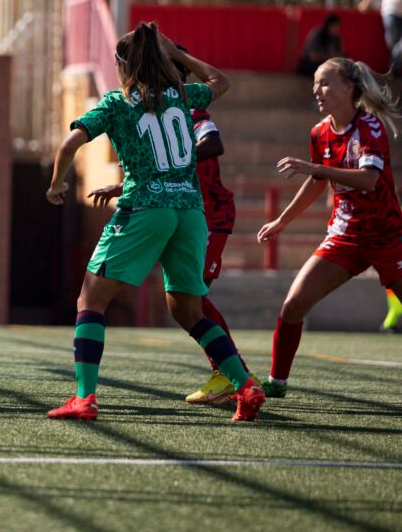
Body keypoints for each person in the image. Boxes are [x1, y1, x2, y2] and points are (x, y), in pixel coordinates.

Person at [44, 22, 265, 422]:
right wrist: (178, 55)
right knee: (189, 312)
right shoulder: (182, 96)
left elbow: (69, 143)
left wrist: (57, 183)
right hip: (189, 212)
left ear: (122, 66)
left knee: (90, 301)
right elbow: (220, 80)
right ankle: (245, 387)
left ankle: (83, 399)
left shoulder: (116, 102)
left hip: (145, 209)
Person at [87, 48, 252, 405]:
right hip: (178, 209)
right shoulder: (155, 111)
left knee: (194, 302)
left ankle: (233, 375)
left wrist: (174, 164)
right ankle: (234, 375)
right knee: (188, 304)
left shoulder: (191, 109)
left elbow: (213, 143)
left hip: (207, 213)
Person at [257, 57, 402, 397]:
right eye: (314, 86)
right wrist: (282, 221)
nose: (317, 91)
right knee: (293, 305)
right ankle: (277, 383)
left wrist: (314, 168)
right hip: (344, 238)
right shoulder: (320, 133)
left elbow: (368, 180)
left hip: (387, 237)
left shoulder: (371, 127)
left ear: (349, 87)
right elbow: (316, 182)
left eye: (324, 83)